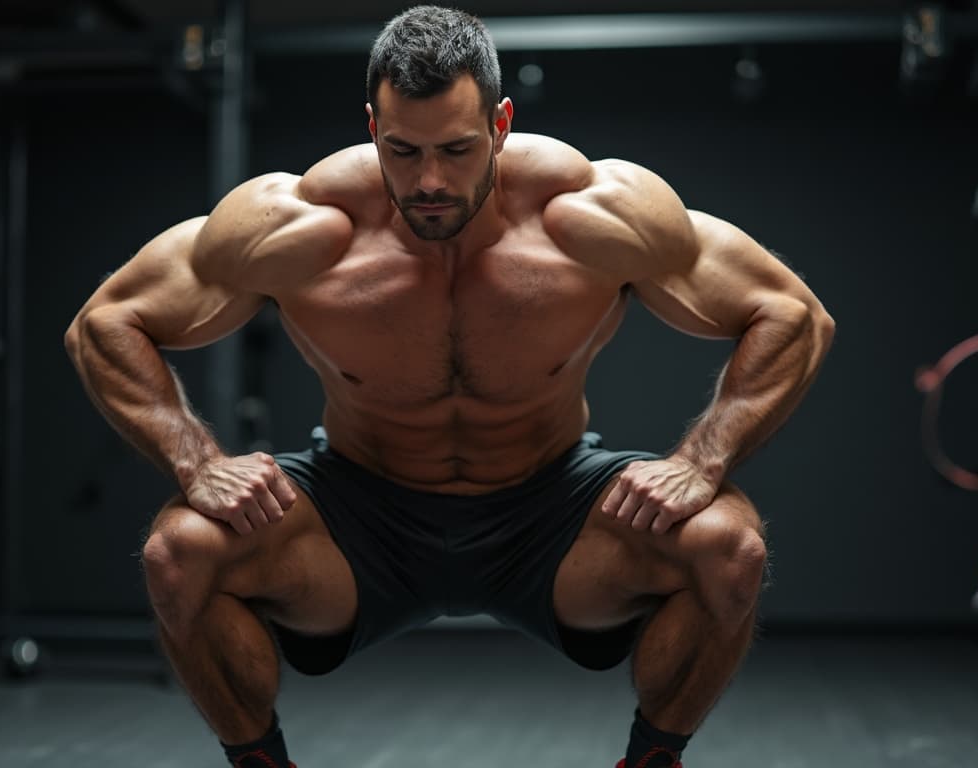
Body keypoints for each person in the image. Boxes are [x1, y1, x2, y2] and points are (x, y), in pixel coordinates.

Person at [65, 6, 834, 768]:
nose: (429, 180)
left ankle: (651, 764)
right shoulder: (298, 228)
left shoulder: (592, 217)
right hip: (358, 508)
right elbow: (105, 324)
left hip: (549, 506)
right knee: (178, 553)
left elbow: (793, 314)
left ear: (500, 124)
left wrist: (701, 462)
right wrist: (198, 463)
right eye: (402, 150)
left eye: (457, 149)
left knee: (729, 546)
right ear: (372, 128)